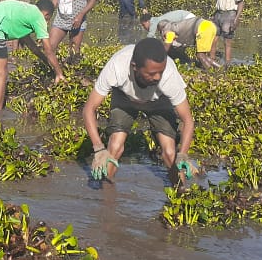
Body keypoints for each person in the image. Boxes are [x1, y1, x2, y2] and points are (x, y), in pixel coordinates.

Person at [82, 37, 197, 185]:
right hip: (125, 98)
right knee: (115, 146)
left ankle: (179, 192)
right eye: (151, 73)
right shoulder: (117, 66)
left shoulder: (169, 75)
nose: (157, 77)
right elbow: (89, 109)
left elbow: (187, 120)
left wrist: (183, 154)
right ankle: (107, 193)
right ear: (134, 66)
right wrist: (98, 149)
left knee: (170, 153)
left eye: (160, 72)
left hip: (159, 102)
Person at [0, 0, 64, 111]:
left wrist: (45, 61)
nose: (46, 23)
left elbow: (31, 45)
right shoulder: (39, 17)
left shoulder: (26, 11)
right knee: (2, 74)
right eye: (48, 19)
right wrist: (59, 73)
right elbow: (48, 50)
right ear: (46, 14)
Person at [213, 0, 245, 64]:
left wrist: (236, 19)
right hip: (218, 14)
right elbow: (218, 3)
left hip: (229, 15)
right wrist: (213, 16)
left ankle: (227, 63)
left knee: (227, 41)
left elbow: (241, 2)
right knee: (213, 37)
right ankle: (211, 60)